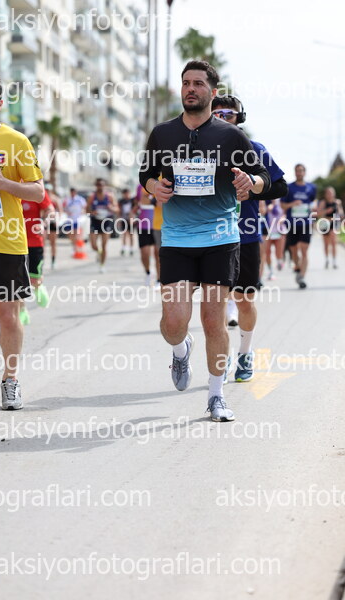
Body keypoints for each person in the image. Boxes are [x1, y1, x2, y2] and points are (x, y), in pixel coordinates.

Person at [139, 61, 271, 421]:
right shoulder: (162, 134)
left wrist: (251, 183)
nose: (190, 89)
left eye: (198, 83)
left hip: (220, 238)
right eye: (185, 83)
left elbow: (262, 176)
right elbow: (146, 174)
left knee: (214, 320)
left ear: (212, 91)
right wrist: (154, 187)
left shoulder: (231, 136)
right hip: (177, 239)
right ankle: (181, 349)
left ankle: (216, 396)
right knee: (173, 323)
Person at [211, 95, 287, 382]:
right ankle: (221, 356)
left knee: (244, 301)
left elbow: (280, 187)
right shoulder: (199, 150)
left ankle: (245, 353)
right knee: (216, 304)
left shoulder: (255, 150)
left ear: (239, 118)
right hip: (211, 237)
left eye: (228, 114)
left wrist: (253, 189)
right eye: (217, 114)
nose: (222, 118)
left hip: (246, 236)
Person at [0, 74, 44, 409]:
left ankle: (10, 380)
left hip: (5, 242)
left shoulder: (16, 141)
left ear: (0, 102)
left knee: (8, 316)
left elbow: (37, 192)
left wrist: (3, 183)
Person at [20, 190, 55, 324]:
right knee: (17, 280)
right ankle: (22, 310)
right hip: (14, 243)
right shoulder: (6, 187)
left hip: (34, 241)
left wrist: (43, 223)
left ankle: (38, 287)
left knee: (34, 278)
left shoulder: (34, 188)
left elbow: (50, 210)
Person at [281, 164, 317, 289]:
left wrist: (313, 207)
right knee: (294, 251)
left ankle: (302, 276)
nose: (299, 173)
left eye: (301, 171)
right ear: (295, 172)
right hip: (292, 223)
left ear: (304, 172)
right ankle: (297, 265)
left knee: (304, 250)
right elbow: (282, 206)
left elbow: (313, 201)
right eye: (297, 171)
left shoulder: (311, 187)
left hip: (306, 223)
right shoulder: (289, 187)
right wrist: (293, 204)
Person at [87, 178, 117, 273]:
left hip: (106, 222)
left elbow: (117, 209)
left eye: (102, 185)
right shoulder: (92, 197)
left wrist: (111, 208)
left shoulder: (110, 196)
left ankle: (102, 265)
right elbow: (87, 210)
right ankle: (98, 252)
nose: (100, 187)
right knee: (93, 245)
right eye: (98, 185)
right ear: (96, 186)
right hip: (95, 221)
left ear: (105, 186)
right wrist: (92, 212)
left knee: (104, 245)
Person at [134, 184, 159, 286]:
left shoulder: (163, 182)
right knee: (144, 253)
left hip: (158, 225)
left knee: (158, 254)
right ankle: (148, 272)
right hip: (143, 225)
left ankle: (159, 279)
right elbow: (139, 202)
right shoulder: (140, 186)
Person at [317, 186, 344, 269]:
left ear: (334, 194)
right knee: (326, 244)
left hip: (334, 223)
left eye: (331, 193)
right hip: (325, 223)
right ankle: (327, 260)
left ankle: (334, 261)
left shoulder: (337, 202)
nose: (330, 194)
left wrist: (340, 212)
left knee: (334, 242)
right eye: (328, 193)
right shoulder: (323, 202)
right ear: (325, 194)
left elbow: (341, 213)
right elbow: (318, 214)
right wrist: (326, 211)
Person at [265, 199, 286, 279]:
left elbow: (285, 214)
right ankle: (271, 271)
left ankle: (279, 261)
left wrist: (282, 219)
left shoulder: (280, 201)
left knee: (279, 251)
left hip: (279, 230)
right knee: (267, 252)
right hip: (268, 230)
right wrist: (268, 208)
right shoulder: (265, 200)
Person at [61, 187, 86, 254]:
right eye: (71, 192)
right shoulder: (67, 200)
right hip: (69, 220)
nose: (73, 193)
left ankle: (76, 249)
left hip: (77, 219)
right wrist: (67, 212)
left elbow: (84, 207)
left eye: (74, 192)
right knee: (70, 235)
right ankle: (75, 246)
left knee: (76, 235)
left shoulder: (80, 199)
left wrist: (83, 211)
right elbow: (63, 208)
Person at [44, 182, 62, 269]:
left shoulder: (55, 199)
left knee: (53, 242)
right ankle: (42, 260)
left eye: (48, 190)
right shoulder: (42, 198)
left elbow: (60, 211)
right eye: (46, 189)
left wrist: (57, 220)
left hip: (53, 222)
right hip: (44, 222)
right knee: (42, 242)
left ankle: (53, 260)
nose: (47, 191)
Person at [118, 188, 135, 256]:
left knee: (131, 234)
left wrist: (132, 216)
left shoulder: (132, 200)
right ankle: (124, 247)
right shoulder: (121, 201)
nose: (126, 195)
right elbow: (119, 210)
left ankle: (131, 248)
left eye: (127, 193)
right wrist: (119, 220)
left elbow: (135, 208)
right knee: (124, 234)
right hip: (124, 219)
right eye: (125, 194)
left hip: (131, 219)